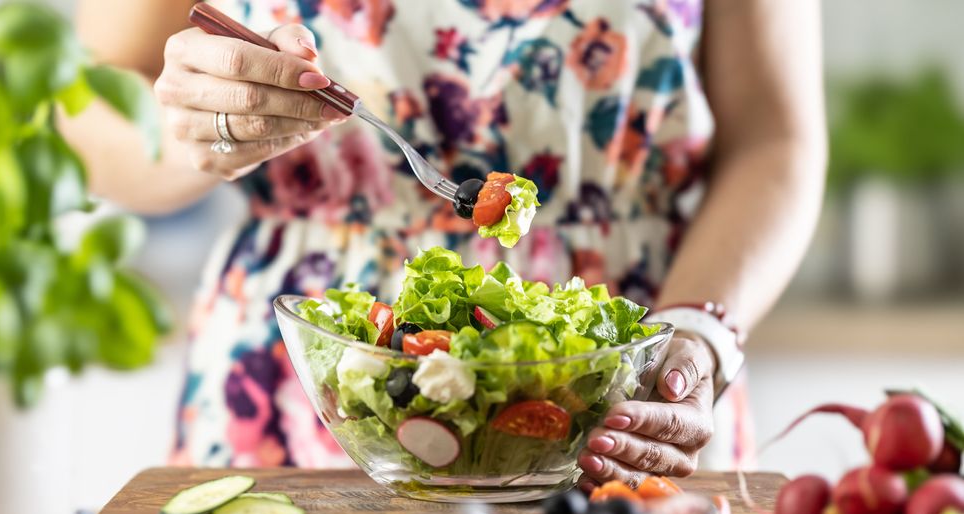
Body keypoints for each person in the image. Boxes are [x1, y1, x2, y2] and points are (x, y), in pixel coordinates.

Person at [63, 0, 826, 487]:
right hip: (316, 374)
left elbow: (775, 139)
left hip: (621, 375)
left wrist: (697, 332)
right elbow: (91, 112)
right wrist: (191, 131)